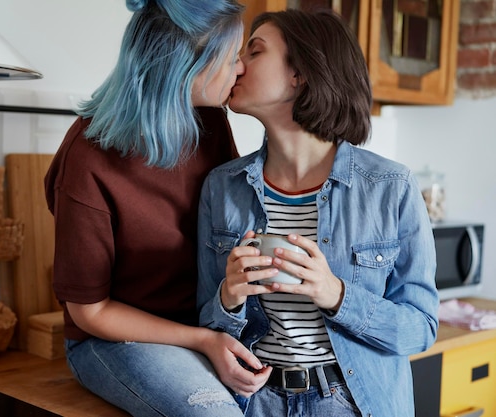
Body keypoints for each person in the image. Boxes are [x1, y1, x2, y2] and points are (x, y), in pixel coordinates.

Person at [197, 8, 439, 417]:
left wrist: (336, 294)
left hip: (353, 403)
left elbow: (420, 329)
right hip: (254, 403)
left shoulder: (390, 187)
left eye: (254, 52)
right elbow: (205, 322)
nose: (237, 65)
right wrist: (229, 296)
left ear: (301, 74)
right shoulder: (222, 187)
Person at [44, 1, 271, 416]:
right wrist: (202, 340)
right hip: (111, 341)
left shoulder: (211, 125)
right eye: (230, 57)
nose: (240, 69)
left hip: (204, 323)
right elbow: (91, 312)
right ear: (186, 66)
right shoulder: (88, 156)